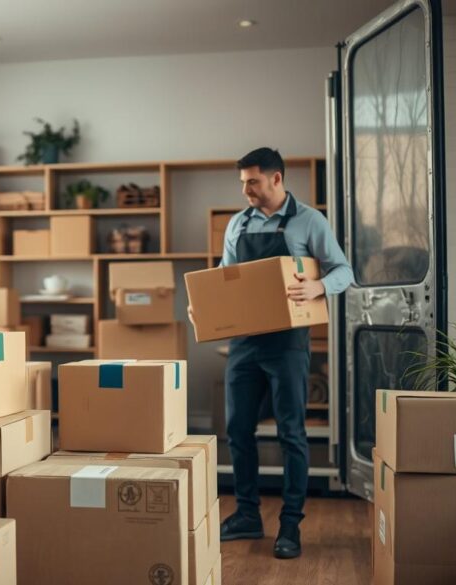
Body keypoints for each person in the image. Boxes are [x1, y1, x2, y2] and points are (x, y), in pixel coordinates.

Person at [190, 148, 352, 559]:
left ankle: (290, 526)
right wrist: (205, 306)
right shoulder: (237, 224)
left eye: (253, 182)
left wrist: (319, 287)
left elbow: (343, 270)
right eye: (243, 182)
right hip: (243, 345)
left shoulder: (309, 220)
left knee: (291, 434)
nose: (245, 189)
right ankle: (247, 514)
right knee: (238, 431)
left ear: (276, 179)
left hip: (287, 346)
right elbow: (227, 280)